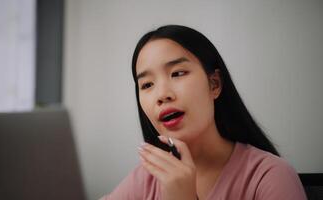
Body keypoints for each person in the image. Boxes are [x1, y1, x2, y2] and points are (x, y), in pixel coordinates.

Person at [101, 25, 306, 200]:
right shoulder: (146, 179)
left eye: (178, 73)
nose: (162, 95)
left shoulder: (270, 177)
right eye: (147, 85)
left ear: (214, 84)